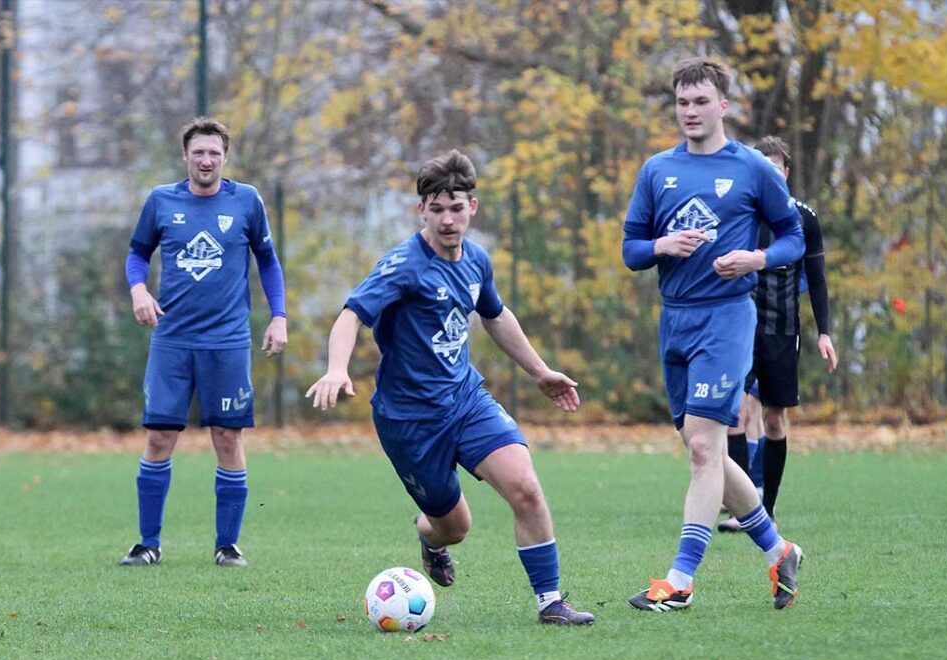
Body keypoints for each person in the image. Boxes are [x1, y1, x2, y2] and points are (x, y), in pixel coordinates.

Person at [306, 150, 594, 625]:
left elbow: (496, 316)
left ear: (472, 208)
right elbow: (352, 313)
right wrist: (337, 369)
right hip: (410, 422)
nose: (447, 219)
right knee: (455, 527)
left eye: (456, 208)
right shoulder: (403, 265)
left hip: (465, 400)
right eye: (436, 209)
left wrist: (540, 372)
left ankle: (551, 602)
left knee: (525, 487)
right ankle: (430, 538)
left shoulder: (476, 260)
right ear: (421, 210)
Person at [621, 58, 806, 611]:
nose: (690, 112)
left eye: (701, 102)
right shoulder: (657, 170)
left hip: (727, 317)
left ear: (724, 105)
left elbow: (794, 236)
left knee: (705, 446)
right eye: (682, 103)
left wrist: (757, 257)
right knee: (704, 451)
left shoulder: (752, 168)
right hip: (674, 319)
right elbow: (631, 249)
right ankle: (779, 550)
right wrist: (661, 246)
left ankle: (679, 581)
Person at [119, 117, 288, 568]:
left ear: (225, 157)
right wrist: (139, 290)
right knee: (158, 437)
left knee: (228, 437)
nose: (206, 160)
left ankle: (227, 545)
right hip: (172, 339)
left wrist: (279, 317)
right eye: (199, 152)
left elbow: (268, 262)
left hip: (228, 341)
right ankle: (148, 543)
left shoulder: (247, 201)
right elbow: (137, 253)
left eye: (214, 152)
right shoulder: (161, 201)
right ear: (186, 157)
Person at [721, 136, 838, 532]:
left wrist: (824, 332)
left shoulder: (803, 219)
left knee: (774, 420)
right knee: (735, 411)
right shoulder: (740, 214)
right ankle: (744, 509)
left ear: (785, 173)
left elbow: (818, 279)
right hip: (740, 327)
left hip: (783, 332)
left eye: (775, 170)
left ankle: (766, 509)